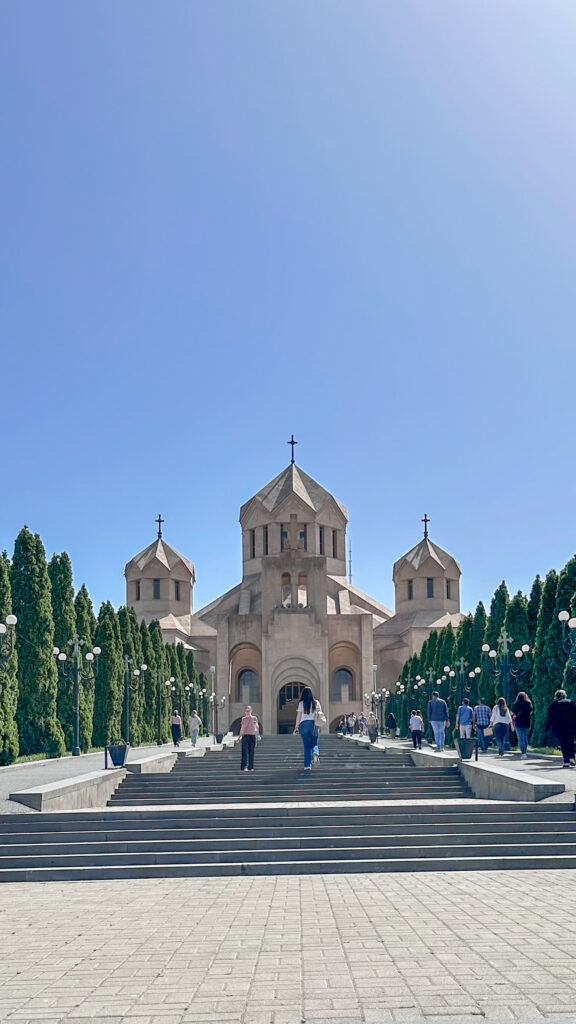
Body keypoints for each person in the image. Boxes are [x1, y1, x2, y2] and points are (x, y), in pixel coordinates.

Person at [294, 687, 324, 770]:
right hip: (314, 724)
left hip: (303, 724)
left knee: (306, 745)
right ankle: (315, 752)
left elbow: (299, 716)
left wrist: (296, 727)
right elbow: (320, 714)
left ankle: (307, 765)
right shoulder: (316, 702)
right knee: (314, 743)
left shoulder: (301, 703)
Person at [545, 689, 576, 768]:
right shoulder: (570, 702)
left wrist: (547, 727)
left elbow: (549, 717)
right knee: (571, 742)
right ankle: (572, 758)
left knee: (564, 743)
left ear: (556, 696)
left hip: (559, 727)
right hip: (571, 727)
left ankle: (566, 761)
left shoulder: (553, 704)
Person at [512, 691, 533, 759]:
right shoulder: (528, 703)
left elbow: (513, 712)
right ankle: (525, 751)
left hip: (518, 723)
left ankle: (523, 753)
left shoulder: (515, 704)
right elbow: (531, 711)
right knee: (525, 738)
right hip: (527, 722)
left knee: (520, 738)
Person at [239, 705, 259, 771]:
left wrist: (255, 724)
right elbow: (242, 728)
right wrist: (239, 737)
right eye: (247, 711)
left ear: (251, 711)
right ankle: (244, 767)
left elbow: (257, 728)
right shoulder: (243, 719)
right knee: (244, 752)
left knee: (251, 752)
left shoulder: (254, 718)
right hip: (245, 736)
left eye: (249, 711)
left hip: (252, 736)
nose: (248, 712)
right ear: (245, 712)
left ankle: (251, 767)